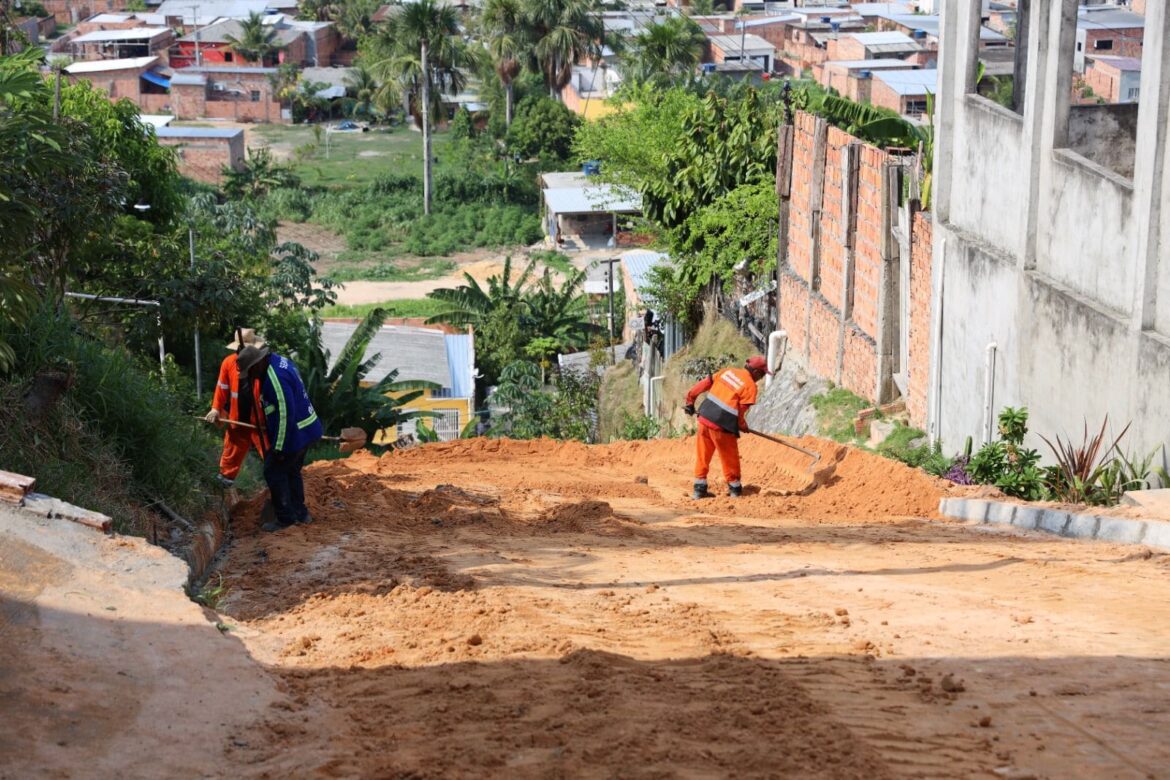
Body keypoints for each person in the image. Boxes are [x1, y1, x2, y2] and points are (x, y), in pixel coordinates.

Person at [236, 345, 323, 532]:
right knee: (291, 471)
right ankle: (301, 514)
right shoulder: (278, 361)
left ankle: (286, 519)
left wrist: (278, 447)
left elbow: (284, 414)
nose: (251, 377)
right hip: (306, 428)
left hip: (296, 432)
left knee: (273, 470)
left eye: (250, 372)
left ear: (257, 364)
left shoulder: (275, 379)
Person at [684, 355, 771, 499]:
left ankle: (699, 490)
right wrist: (742, 425)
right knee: (730, 458)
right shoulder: (750, 387)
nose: (761, 378)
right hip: (721, 426)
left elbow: (704, 384)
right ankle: (735, 490)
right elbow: (740, 413)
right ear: (755, 372)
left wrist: (690, 400)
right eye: (762, 374)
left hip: (704, 418)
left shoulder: (727, 371)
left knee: (702, 456)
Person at [205, 328, 266, 488]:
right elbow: (222, 387)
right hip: (237, 418)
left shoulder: (261, 366)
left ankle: (278, 487)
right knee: (231, 454)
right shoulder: (228, 363)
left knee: (271, 454)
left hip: (259, 421)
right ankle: (222, 486)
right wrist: (216, 409)